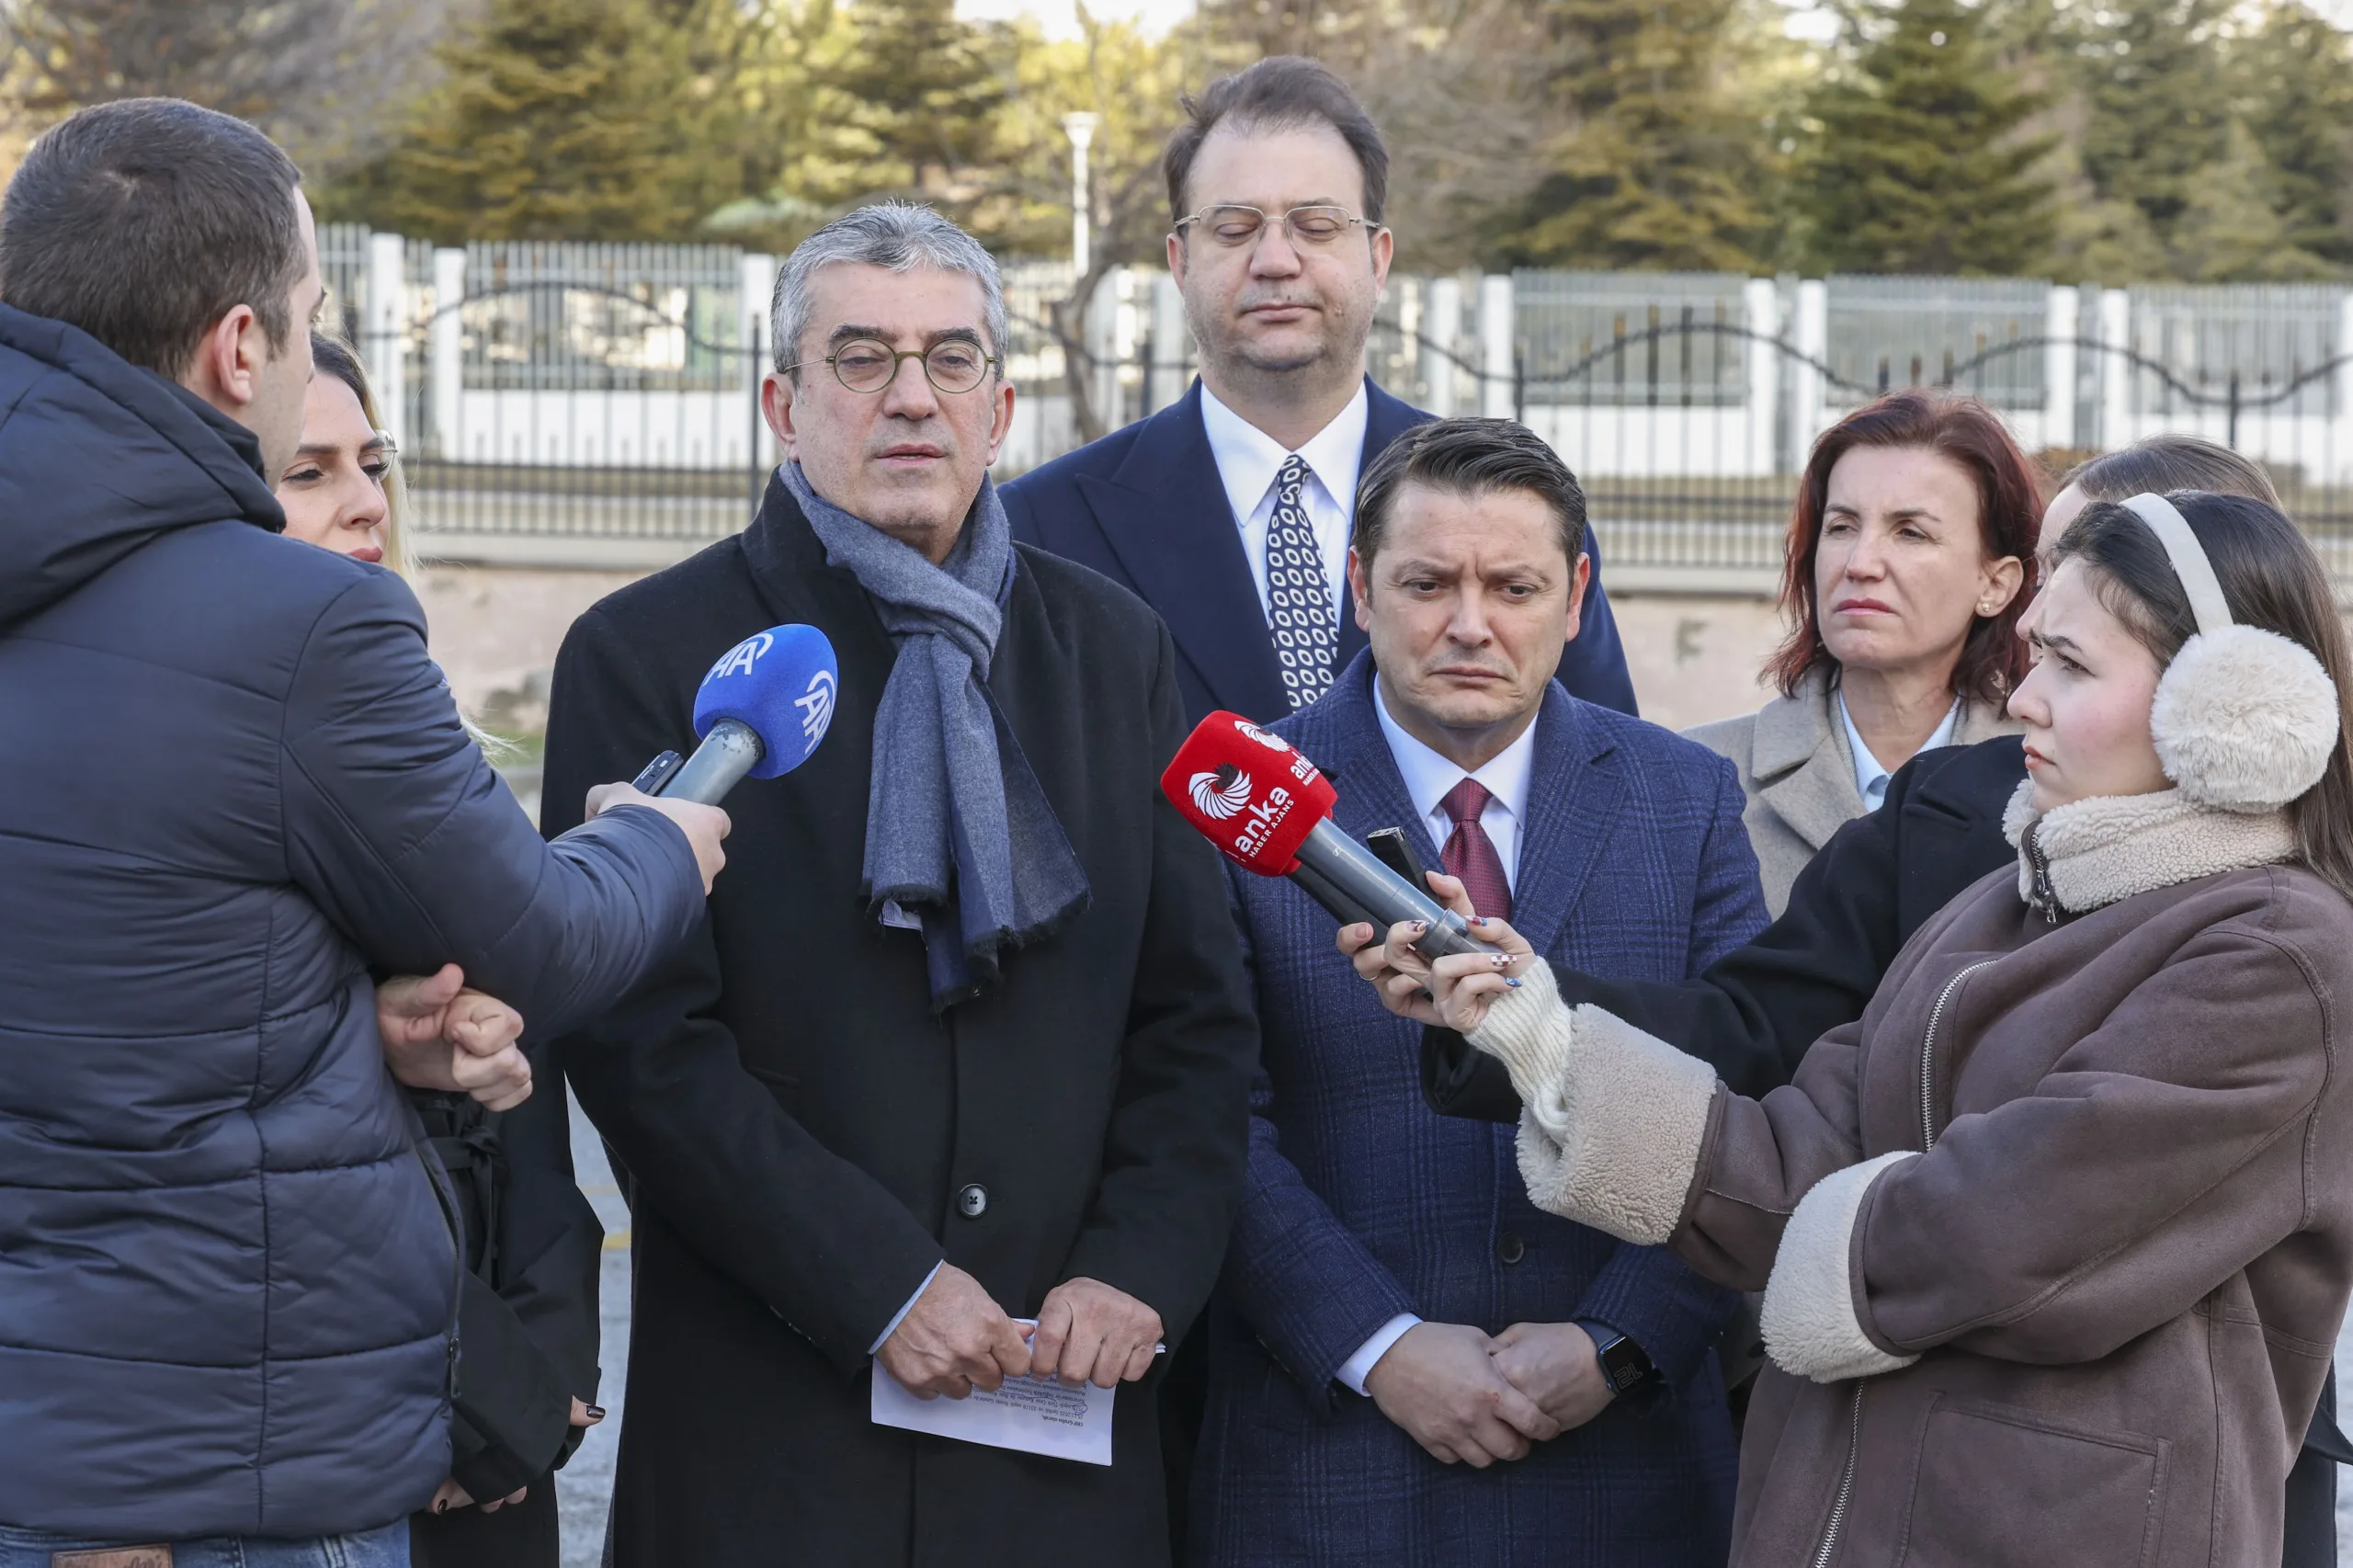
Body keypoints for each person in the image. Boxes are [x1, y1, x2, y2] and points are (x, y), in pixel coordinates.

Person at [0, 98, 728, 1564]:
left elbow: (109, 973)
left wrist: (344, 1021)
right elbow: (537, 938)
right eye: (314, 311)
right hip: (217, 1477)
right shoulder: (300, 626)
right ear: (241, 348)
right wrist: (661, 839)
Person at [1410, 433, 2349, 1568]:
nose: (2023, 697)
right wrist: (1544, 1041)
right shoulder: (2003, 898)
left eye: (2069, 663)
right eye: (2033, 656)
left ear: (2224, 713)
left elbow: (1995, 1230)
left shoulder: (2280, 957)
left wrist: (1792, 1241)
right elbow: (1805, 1137)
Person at [540, 201, 1258, 1568]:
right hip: (773, 1436)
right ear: (782, 403)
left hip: (1057, 1415)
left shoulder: (1114, 650)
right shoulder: (648, 652)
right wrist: (875, 1283)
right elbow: (642, 1046)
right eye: (862, 357)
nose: (913, 396)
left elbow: (1195, 1017)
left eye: (952, 358)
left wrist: (1138, 1266)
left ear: (1000, 409)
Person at [1191, 418, 1757, 1565]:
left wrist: (1618, 1338)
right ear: (1360, 588)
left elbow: (1751, 1099)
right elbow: (1202, 1118)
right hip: (1329, 1470)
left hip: (1630, 1478)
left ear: (1575, 596)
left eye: (1511, 586)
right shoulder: (1239, 805)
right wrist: (1379, 1344)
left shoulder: (1686, 798)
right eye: (1426, 583)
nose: (1468, 622)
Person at [1004, 56, 1636, 726]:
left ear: (1378, 260)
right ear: (1180, 262)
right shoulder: (1040, 531)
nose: (1276, 260)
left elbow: (1607, 765)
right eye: (1234, 227)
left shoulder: (1522, 509)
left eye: (1317, 225)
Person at [273, 331, 607, 1568]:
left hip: (496, 1435)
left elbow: (531, 1111)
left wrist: (545, 1359)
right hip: (331, 1419)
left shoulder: (428, 748)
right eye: (308, 472)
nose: (366, 500)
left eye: (373, 462)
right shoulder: (183, 764)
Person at [1687, 391, 2037, 914]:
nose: (1860, 563)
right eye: (1841, 527)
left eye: (1911, 532)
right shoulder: (1697, 777)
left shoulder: (2049, 779)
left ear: (1996, 583)